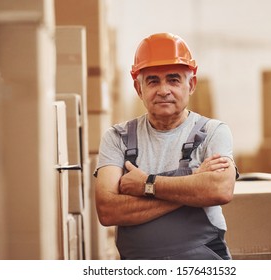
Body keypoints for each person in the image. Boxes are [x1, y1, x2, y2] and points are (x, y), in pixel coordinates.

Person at [94, 32, 238, 260]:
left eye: (173, 79)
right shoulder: (117, 137)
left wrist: (146, 185)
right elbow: (108, 210)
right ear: (138, 88)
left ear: (191, 85)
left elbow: (219, 190)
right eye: (153, 81)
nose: (163, 90)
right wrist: (193, 184)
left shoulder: (213, 132)